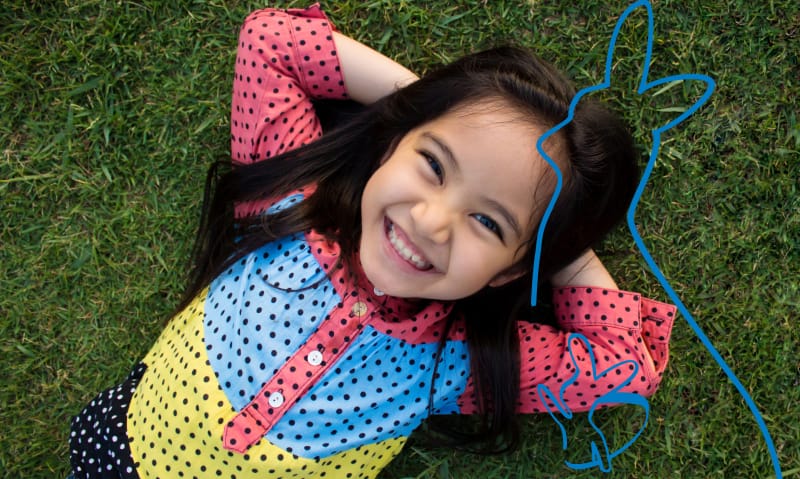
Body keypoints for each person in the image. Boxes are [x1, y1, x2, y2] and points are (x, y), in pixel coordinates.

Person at [68, 4, 676, 478]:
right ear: (391, 144)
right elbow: (271, 43)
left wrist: (555, 246)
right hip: (112, 445)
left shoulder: (458, 364)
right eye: (433, 163)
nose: (431, 222)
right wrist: (427, 106)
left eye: (489, 223)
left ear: (507, 273)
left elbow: (626, 366)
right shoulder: (288, 201)